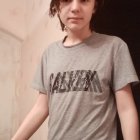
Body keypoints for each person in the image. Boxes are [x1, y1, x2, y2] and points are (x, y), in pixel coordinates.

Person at [12, 0, 139, 140]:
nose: (75, 8)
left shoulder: (114, 47)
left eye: (84, 0)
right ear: (56, 5)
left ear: (94, 6)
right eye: (66, 0)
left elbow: (126, 109)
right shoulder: (49, 53)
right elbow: (41, 107)